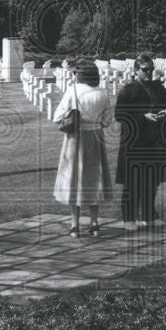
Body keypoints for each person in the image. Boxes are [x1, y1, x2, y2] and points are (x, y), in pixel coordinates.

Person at [114, 55, 166, 230]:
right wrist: (143, 117)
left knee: (153, 180)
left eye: (151, 69)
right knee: (133, 181)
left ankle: (149, 216)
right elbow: (120, 115)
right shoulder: (128, 91)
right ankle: (129, 218)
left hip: (157, 141)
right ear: (136, 70)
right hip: (135, 142)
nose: (149, 73)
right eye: (145, 70)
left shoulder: (158, 88)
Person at [52, 59, 115, 237]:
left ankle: (74, 224)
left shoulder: (72, 91)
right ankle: (94, 223)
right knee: (94, 180)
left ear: (79, 75)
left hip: (75, 138)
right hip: (95, 138)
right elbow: (107, 120)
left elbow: (57, 117)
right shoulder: (102, 93)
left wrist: (72, 115)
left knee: (74, 181)